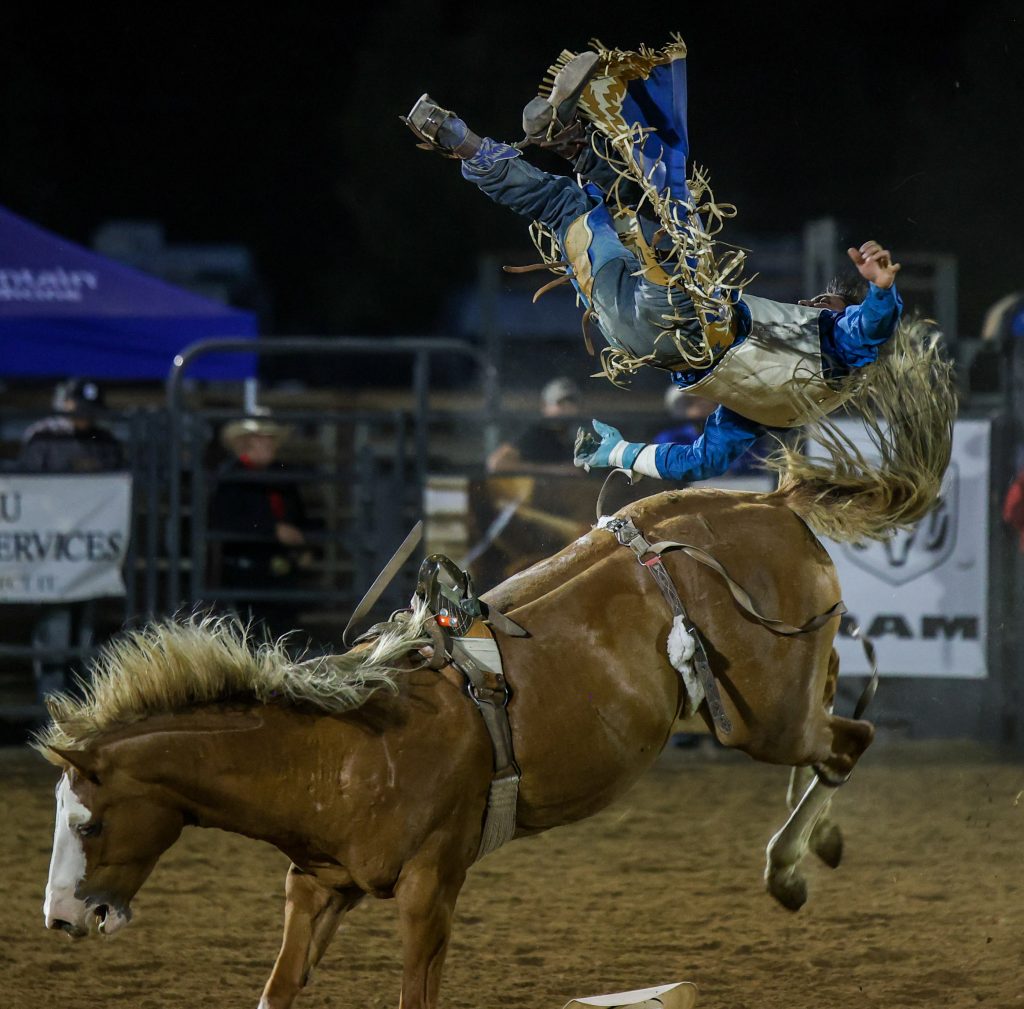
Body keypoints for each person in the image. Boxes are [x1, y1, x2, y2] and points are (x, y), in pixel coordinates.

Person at [404, 41, 904, 483]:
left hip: (682, 322)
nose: (810, 302)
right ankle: (457, 135)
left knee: (675, 221)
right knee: (566, 207)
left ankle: (575, 142)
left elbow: (871, 330)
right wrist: (614, 452)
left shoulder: (844, 345)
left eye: (825, 301)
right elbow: (700, 463)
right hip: (630, 333)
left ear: (842, 311)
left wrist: (881, 290)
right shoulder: (768, 413)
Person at [17, 378, 125, 699]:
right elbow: (28, 489)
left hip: (90, 550)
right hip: (53, 550)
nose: (85, 418)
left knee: (84, 632)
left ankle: (76, 707)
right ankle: (53, 709)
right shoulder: (45, 437)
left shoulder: (101, 440)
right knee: (57, 629)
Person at [208, 415, 311, 637]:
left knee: (282, 630)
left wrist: (305, 547)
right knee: (250, 630)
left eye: (270, 440)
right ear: (245, 444)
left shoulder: (282, 475)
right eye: (261, 439)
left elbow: (300, 515)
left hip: (281, 569)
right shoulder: (232, 476)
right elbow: (225, 520)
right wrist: (272, 531)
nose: (268, 445)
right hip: (246, 570)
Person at [487, 377, 583, 475]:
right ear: (545, 406)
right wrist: (556, 470)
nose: (567, 408)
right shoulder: (536, 433)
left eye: (572, 403)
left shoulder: (574, 436)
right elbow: (496, 463)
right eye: (561, 403)